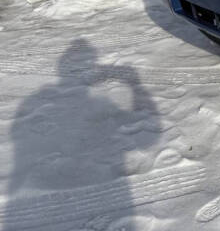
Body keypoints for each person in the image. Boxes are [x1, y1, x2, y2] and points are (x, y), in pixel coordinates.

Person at [4, 38, 159, 230]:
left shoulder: (38, 101)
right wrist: (135, 84)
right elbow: (149, 138)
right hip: (93, 176)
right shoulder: (97, 104)